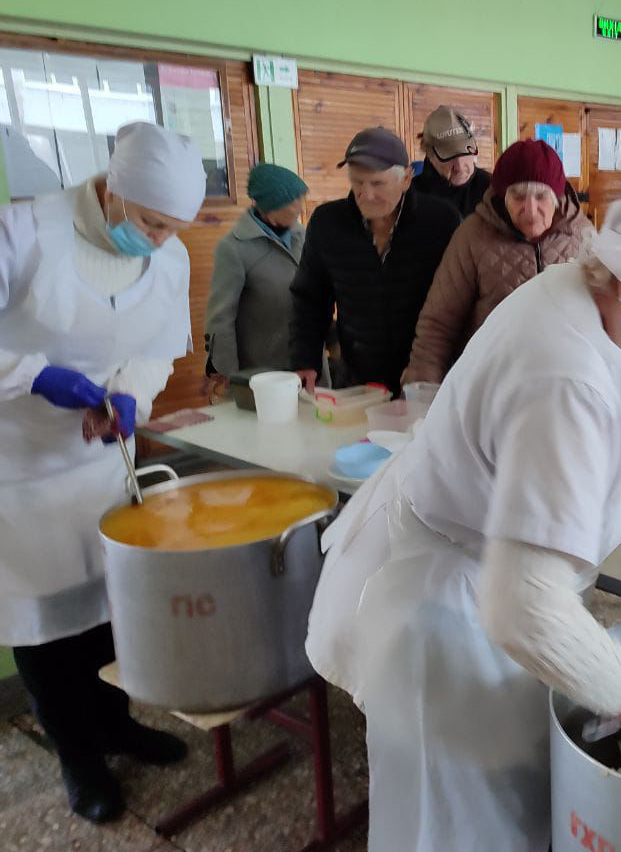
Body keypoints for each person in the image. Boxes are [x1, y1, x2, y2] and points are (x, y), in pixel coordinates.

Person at [304, 177, 621, 850]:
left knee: (505, 809)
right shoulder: (561, 370)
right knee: (452, 827)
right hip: (444, 611)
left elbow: (588, 405)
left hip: (470, 571)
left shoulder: (582, 289)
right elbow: (523, 611)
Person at [0, 122, 206, 823]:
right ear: (111, 189)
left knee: (109, 608)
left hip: (98, 461)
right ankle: (75, 754)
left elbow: (160, 345)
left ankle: (116, 723)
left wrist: (129, 394)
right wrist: (34, 377)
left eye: (171, 228)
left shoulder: (168, 254)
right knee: (46, 622)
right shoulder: (23, 234)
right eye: (149, 222)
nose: (156, 240)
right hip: (19, 468)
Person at [402, 139, 594, 383]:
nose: (531, 209)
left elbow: (607, 318)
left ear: (557, 196)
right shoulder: (473, 236)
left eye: (541, 196)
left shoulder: (582, 235)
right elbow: (438, 324)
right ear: (502, 197)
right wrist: (423, 391)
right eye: (518, 196)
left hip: (568, 384)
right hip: (491, 386)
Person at [290, 127, 460, 395]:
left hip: (427, 377)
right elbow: (310, 298)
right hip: (358, 377)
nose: (365, 194)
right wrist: (305, 360)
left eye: (377, 183)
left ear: (406, 178)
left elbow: (458, 301)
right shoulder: (327, 224)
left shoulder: (440, 221)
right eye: (357, 182)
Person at [205, 163, 308, 377]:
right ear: (271, 205)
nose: (300, 207)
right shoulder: (234, 248)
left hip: (308, 363)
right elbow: (221, 318)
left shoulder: (304, 237)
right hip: (263, 370)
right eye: (294, 200)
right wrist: (228, 376)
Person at [411, 105, 492, 219]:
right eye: (448, 156)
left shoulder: (492, 189)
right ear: (430, 155)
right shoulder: (410, 196)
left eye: (465, 151)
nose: (459, 167)